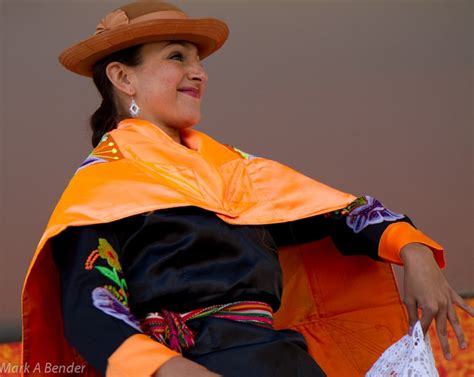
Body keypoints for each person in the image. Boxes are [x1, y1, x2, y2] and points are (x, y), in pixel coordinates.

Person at [20, 1, 473, 377]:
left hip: (284, 363)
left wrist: (413, 250)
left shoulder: (237, 173)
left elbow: (343, 215)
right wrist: (168, 369)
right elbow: (91, 307)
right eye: (178, 56)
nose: (200, 72)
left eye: (199, 61)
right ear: (123, 78)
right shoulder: (102, 187)